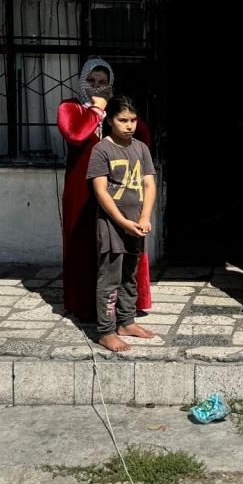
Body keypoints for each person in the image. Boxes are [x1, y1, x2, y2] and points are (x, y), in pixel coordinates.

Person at [57, 58, 152, 320]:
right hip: (81, 189)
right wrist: (96, 110)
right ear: (82, 81)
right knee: (84, 243)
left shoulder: (115, 111)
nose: (96, 87)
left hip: (118, 187)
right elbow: (75, 134)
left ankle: (125, 307)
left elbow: (143, 136)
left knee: (121, 243)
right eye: (91, 81)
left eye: (102, 82)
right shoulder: (70, 107)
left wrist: (113, 109)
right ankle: (86, 305)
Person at [86, 95, 157, 352]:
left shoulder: (141, 149)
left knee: (130, 275)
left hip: (135, 225)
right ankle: (106, 331)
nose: (129, 126)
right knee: (110, 279)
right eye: (122, 120)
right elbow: (101, 192)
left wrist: (144, 217)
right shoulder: (101, 150)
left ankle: (126, 321)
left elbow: (149, 184)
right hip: (112, 226)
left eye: (133, 120)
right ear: (110, 121)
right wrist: (122, 221)